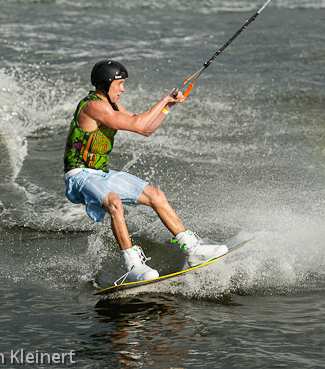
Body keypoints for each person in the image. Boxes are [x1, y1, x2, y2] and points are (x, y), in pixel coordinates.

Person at [63, 60, 228, 282]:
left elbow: (146, 129)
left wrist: (168, 106)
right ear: (105, 84)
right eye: (120, 84)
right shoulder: (93, 106)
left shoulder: (112, 107)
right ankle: (132, 266)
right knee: (115, 202)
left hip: (101, 174)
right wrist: (164, 98)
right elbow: (139, 125)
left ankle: (193, 250)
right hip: (79, 175)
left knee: (156, 196)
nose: (123, 89)